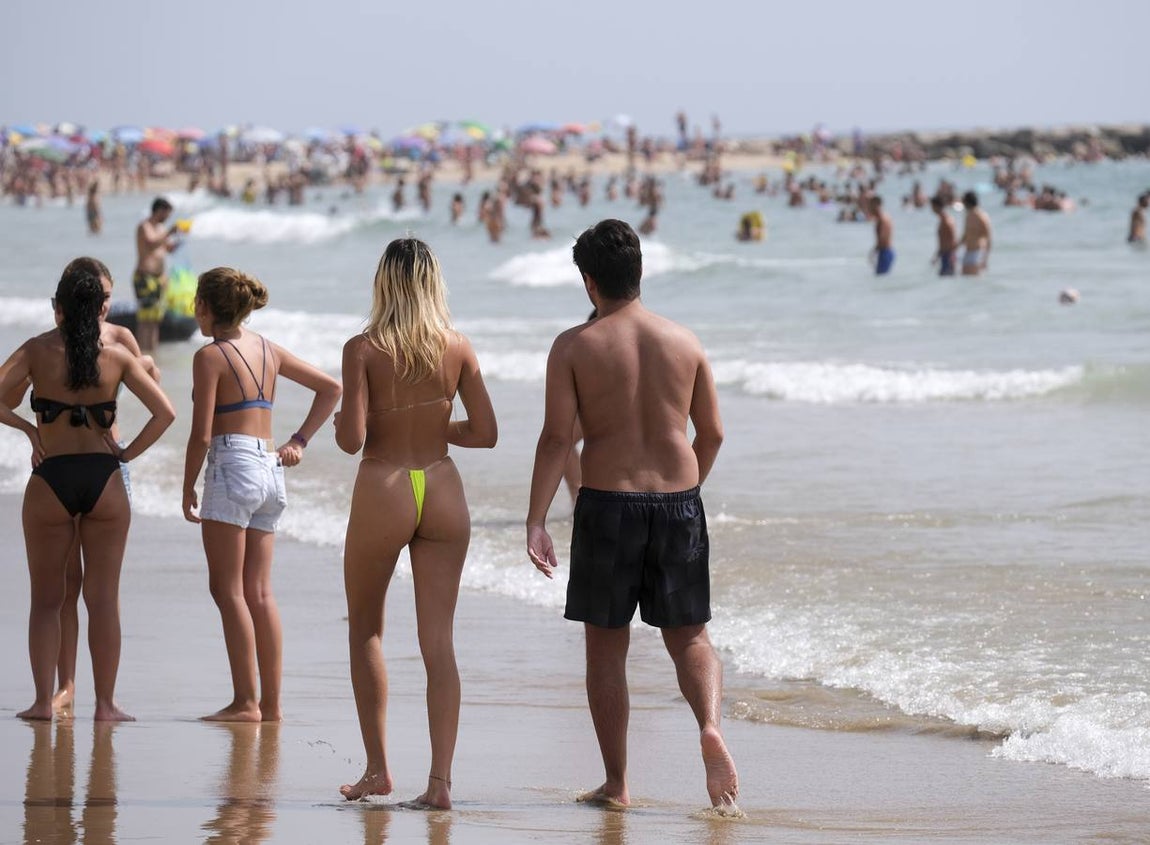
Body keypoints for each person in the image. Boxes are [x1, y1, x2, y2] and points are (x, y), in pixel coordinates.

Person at [525, 219, 738, 810]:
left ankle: (617, 784)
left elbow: (556, 439)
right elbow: (713, 434)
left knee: (605, 648)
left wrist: (536, 519)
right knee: (690, 636)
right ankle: (709, 727)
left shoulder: (574, 346)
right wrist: (685, 494)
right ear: (640, 272)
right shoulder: (685, 342)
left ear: (589, 282)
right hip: (679, 501)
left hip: (608, 503)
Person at [336, 238, 497, 807]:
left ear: (384, 284)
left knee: (366, 630)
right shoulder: (457, 346)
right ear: (433, 284)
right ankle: (440, 784)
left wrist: (346, 421)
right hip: (442, 486)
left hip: (385, 485)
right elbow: (485, 432)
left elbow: (352, 440)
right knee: (439, 642)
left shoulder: (363, 348)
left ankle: (378, 770)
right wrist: (434, 428)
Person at [0, 261, 175, 721]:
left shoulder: (37, 350)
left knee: (46, 601)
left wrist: (29, 431)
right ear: (101, 308)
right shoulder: (116, 356)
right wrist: (126, 453)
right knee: (103, 601)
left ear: (57, 307)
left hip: (51, 479)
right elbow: (165, 413)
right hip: (104, 480)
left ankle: (43, 702)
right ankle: (105, 705)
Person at [182, 267, 341, 723]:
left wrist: (187, 484)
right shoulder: (268, 348)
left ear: (205, 307)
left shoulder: (210, 357)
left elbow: (202, 434)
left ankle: (244, 702)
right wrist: (299, 441)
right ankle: (271, 705)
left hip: (232, 465)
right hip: (270, 468)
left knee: (227, 589)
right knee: (260, 592)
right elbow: (331, 388)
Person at [133, 197, 179, 352]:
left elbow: (167, 248)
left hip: (159, 278)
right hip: (145, 277)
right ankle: (142, 352)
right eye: (167, 214)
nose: (167, 218)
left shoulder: (161, 229)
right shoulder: (144, 226)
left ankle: (152, 352)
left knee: (155, 319)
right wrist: (169, 232)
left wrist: (177, 241)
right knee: (144, 319)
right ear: (159, 210)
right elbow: (151, 243)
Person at [958, 191, 993, 275]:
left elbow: (988, 237)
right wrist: (955, 248)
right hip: (967, 252)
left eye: (964, 201)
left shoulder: (981, 216)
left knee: (973, 278)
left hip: (977, 252)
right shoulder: (968, 215)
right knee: (965, 279)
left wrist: (985, 259)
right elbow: (965, 235)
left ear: (968, 202)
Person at [931, 196, 958, 276]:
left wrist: (952, 256)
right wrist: (937, 255)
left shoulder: (947, 221)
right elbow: (943, 241)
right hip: (944, 254)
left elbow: (953, 239)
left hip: (948, 255)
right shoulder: (943, 220)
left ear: (936, 206)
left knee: (946, 276)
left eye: (932, 206)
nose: (931, 209)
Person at [870, 196, 895, 275]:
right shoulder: (883, 217)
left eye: (871, 205)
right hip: (885, 251)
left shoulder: (883, 219)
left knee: (880, 276)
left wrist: (873, 251)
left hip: (885, 252)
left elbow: (883, 238)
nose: (869, 208)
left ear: (876, 205)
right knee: (881, 277)